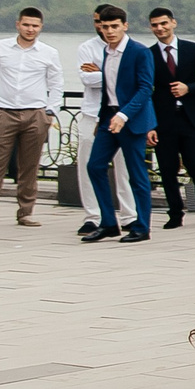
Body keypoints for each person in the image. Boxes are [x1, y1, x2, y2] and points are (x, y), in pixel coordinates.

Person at [0, 6, 61, 229]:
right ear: (18, 24)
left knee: (29, 167)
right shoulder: (0, 47)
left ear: (41, 27)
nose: (30, 29)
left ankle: (25, 212)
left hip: (35, 114)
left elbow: (56, 85)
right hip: (3, 112)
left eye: (35, 26)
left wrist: (50, 111)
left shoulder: (48, 53)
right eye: (26, 24)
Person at [82, 5, 157, 245]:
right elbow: (109, 88)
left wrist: (123, 115)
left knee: (136, 175)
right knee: (94, 166)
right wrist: (103, 118)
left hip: (131, 120)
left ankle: (142, 227)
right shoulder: (106, 51)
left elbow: (145, 88)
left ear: (125, 25)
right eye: (105, 27)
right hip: (108, 118)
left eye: (115, 26)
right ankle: (108, 223)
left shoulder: (139, 52)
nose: (110, 31)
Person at [147, 7, 195, 228]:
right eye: (155, 25)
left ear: (173, 23)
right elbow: (144, 90)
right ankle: (175, 214)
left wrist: (189, 88)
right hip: (163, 120)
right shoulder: (148, 54)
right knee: (167, 168)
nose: (160, 28)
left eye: (163, 23)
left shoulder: (191, 49)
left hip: (189, 118)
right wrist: (150, 125)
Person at [72, 30, 137, 236]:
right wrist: (112, 74)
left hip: (120, 115)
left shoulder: (131, 49)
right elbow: (87, 79)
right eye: (100, 22)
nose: (106, 29)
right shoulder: (86, 47)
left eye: (111, 24)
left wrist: (101, 72)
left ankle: (129, 216)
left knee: (124, 168)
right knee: (89, 166)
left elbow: (133, 80)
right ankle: (94, 217)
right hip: (92, 114)